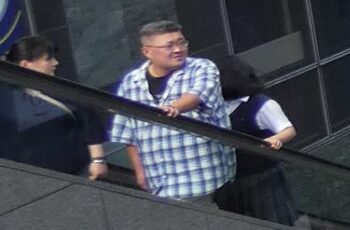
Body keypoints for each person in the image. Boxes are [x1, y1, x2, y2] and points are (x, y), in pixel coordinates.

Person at [108, 21, 231, 201]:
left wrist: (174, 108)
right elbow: (128, 133)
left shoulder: (202, 67)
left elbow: (198, 94)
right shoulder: (131, 82)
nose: (178, 49)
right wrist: (140, 171)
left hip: (201, 176)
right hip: (159, 180)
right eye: (169, 45)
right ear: (147, 51)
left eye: (181, 42)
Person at [0, 36, 108, 181]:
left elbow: (88, 119)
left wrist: (98, 160)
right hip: (32, 180)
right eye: (48, 59)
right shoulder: (7, 97)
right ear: (26, 65)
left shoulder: (62, 90)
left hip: (80, 172)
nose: (55, 63)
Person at [212, 58, 298, 223]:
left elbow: (288, 130)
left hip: (261, 175)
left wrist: (273, 140)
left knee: (272, 221)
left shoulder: (261, 104)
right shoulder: (217, 107)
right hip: (232, 179)